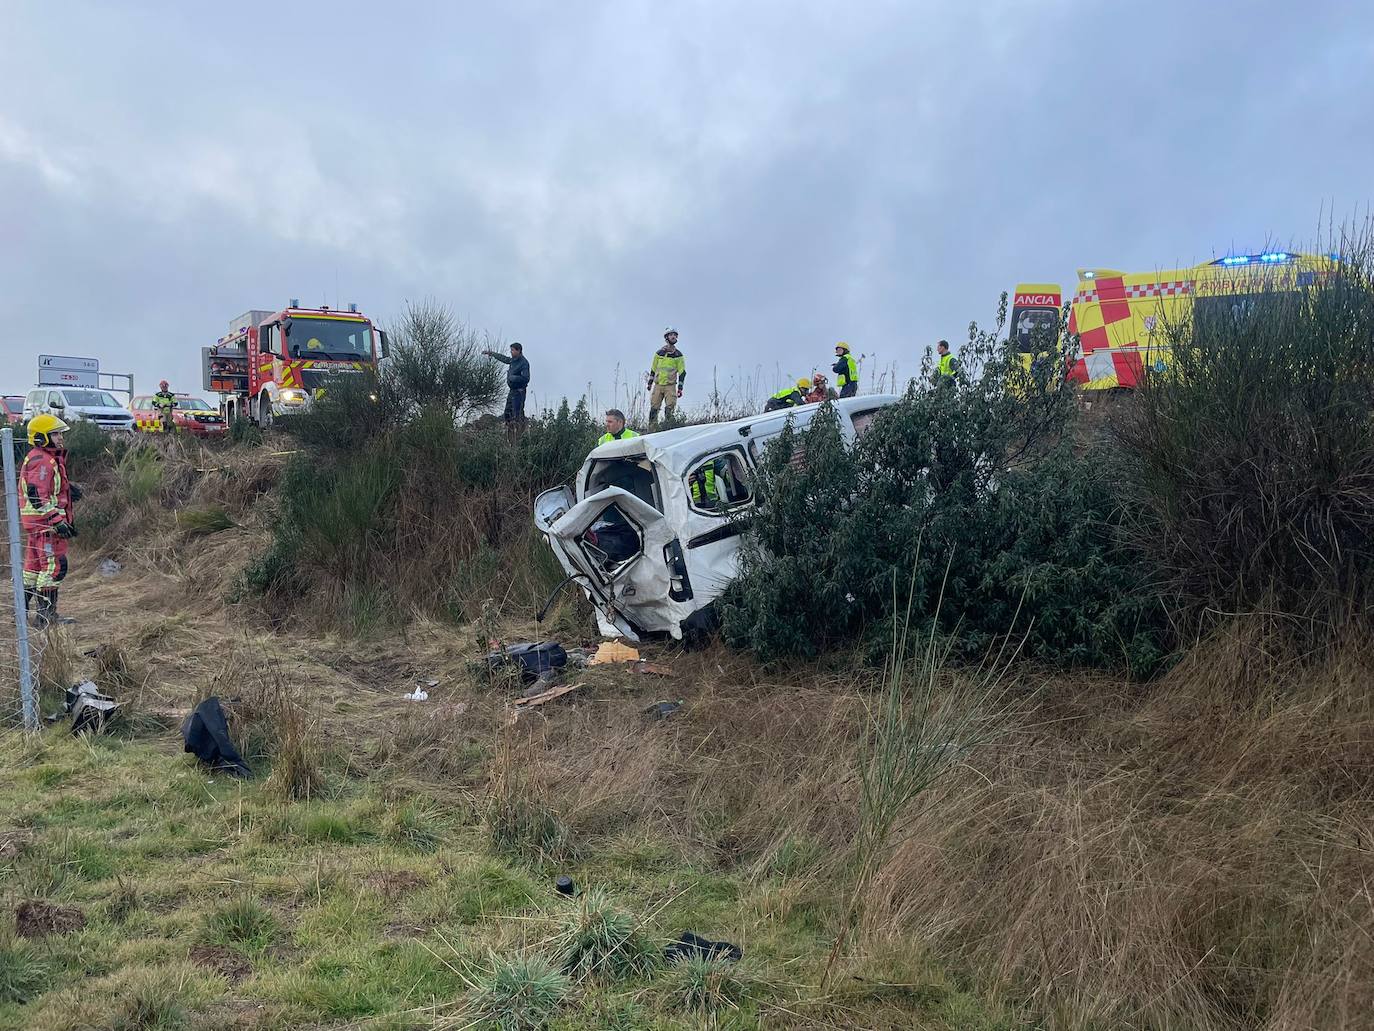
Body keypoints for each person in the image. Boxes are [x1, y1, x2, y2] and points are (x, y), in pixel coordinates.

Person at [20, 414, 78, 629]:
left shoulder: (38, 457)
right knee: (54, 567)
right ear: (41, 437)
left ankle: (22, 612)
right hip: (46, 525)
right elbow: (37, 495)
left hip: (37, 525)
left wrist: (69, 490)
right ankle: (46, 617)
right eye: (55, 433)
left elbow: (42, 489)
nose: (60, 437)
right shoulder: (44, 460)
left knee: (33, 568)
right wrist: (56, 520)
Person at [484, 342, 531, 432]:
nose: (511, 352)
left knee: (517, 414)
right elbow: (504, 359)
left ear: (519, 350)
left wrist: (514, 378)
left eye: (512, 350)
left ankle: (520, 434)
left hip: (519, 392)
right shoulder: (513, 360)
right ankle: (509, 433)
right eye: (511, 350)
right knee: (507, 413)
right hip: (512, 391)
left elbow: (526, 378)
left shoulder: (524, 363)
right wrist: (492, 354)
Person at [647, 327, 686, 424]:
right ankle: (652, 430)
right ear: (666, 337)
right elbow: (653, 368)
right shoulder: (659, 353)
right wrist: (650, 383)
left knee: (669, 410)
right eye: (671, 335)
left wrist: (680, 388)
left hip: (670, 386)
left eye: (675, 335)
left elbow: (682, 372)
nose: (674, 337)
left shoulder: (678, 355)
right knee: (653, 410)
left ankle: (668, 429)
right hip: (658, 385)